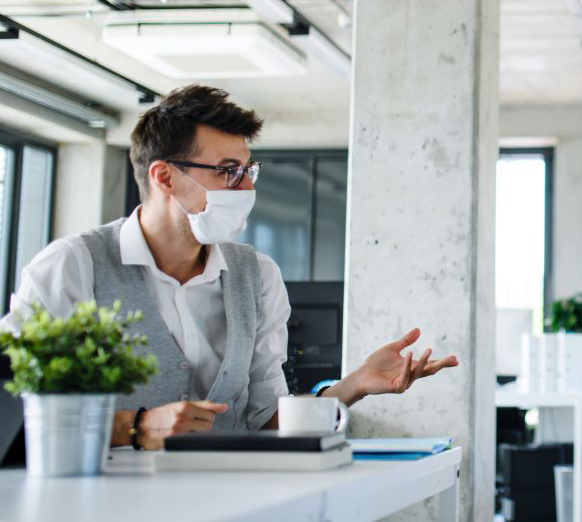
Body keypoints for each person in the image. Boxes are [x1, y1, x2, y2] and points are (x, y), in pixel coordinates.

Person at [0, 85, 457, 449]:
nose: (243, 188)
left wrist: (353, 384)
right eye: (227, 171)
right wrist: (134, 426)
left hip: (230, 501)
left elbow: (265, 420)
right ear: (164, 176)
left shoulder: (257, 276)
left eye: (247, 171)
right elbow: (13, 408)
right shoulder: (73, 265)